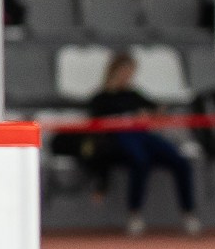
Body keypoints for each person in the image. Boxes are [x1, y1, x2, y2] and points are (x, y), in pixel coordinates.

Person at [83, 52, 199, 237]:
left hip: (143, 136)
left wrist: (154, 114)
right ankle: (134, 214)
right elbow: (96, 125)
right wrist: (126, 119)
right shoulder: (100, 98)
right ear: (114, 71)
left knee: (180, 161)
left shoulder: (133, 94)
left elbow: (154, 110)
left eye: (131, 72)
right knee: (140, 160)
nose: (127, 76)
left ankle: (189, 213)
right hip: (119, 139)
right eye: (124, 72)